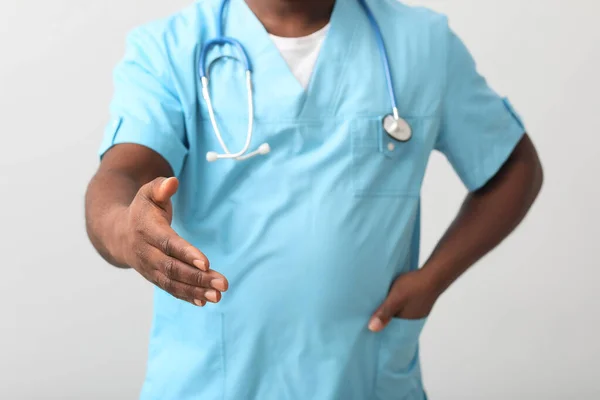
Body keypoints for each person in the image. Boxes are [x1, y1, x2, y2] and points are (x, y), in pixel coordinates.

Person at [85, 0, 543, 398]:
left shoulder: (422, 43)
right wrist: (126, 231)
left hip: (363, 377)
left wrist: (433, 281)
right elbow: (122, 172)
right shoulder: (169, 48)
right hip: (210, 382)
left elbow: (513, 168)